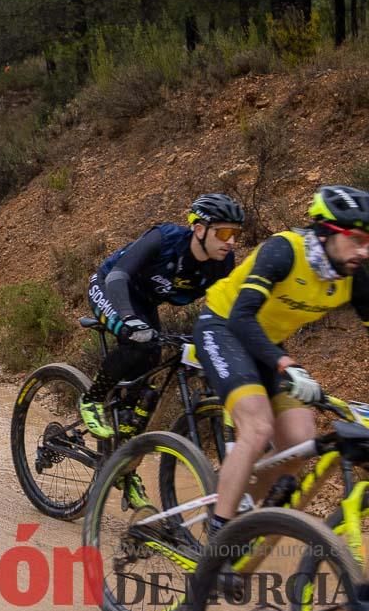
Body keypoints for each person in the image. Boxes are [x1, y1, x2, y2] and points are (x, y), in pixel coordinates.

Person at [195, 185, 369, 537]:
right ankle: (218, 536)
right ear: (326, 232)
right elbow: (242, 317)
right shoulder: (284, 250)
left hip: (266, 342)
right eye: (356, 238)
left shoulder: (355, 277)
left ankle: (241, 521)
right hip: (224, 326)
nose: (364, 251)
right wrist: (286, 365)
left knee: (300, 442)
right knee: (257, 428)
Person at [76, 194, 246, 438]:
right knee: (137, 341)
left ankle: (120, 457)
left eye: (236, 234)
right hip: (110, 286)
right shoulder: (165, 239)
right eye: (223, 233)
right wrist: (128, 319)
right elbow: (118, 276)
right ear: (199, 229)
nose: (231, 241)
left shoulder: (221, 263)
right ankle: (92, 398)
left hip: (144, 301)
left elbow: (225, 307)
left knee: (151, 364)